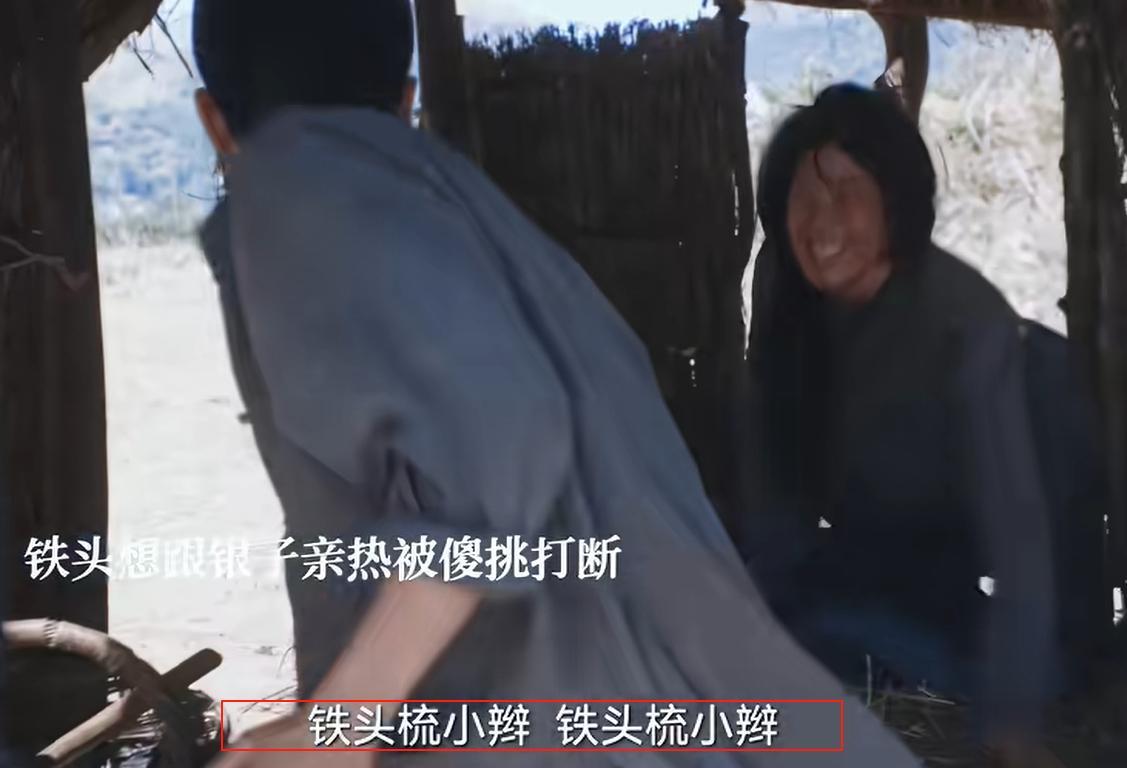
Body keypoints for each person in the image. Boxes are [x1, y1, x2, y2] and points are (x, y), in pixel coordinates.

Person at [191, 2, 923, 766]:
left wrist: (342, 721)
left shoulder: (299, 187)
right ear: (407, 102)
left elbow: (503, 441)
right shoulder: (467, 222)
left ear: (213, 122)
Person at [742, 83, 1100, 768]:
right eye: (802, 197)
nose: (821, 224)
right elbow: (775, 477)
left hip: (985, 595)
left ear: (896, 203)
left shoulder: (964, 321)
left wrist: (1012, 724)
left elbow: (1020, 540)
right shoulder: (784, 288)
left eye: (846, 192)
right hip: (870, 565)